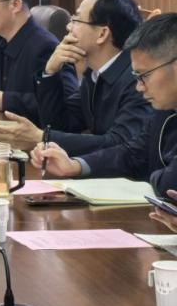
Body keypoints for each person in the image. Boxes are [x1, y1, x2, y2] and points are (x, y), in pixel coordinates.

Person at [0, 0, 152, 153]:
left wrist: (43, 137)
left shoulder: (138, 79)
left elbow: (120, 144)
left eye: (76, 20)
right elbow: (62, 124)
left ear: (102, 34)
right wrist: (50, 73)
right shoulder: (94, 74)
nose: (68, 26)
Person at [33, 13, 177, 195]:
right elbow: (133, 153)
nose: (139, 87)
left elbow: (169, 183)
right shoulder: (165, 108)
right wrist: (74, 166)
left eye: (144, 76)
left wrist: (154, 177)